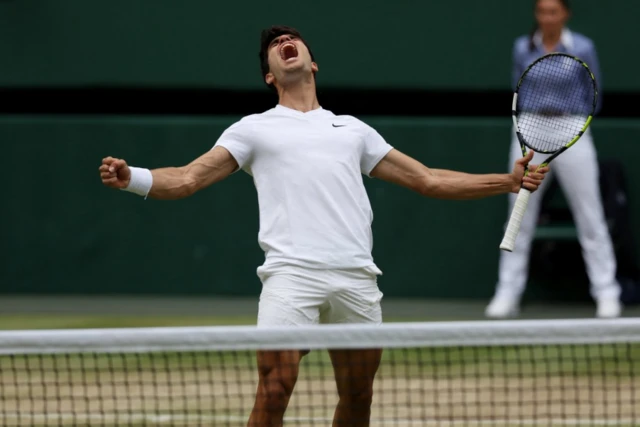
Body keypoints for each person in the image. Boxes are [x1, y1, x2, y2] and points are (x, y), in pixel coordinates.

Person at [99, 25, 549, 426]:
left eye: (290, 39)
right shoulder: (252, 129)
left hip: (356, 276)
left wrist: (507, 181)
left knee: (358, 397)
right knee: (274, 389)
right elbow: (188, 177)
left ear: (311, 62)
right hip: (292, 276)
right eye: (274, 46)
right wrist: (133, 177)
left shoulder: (352, 129)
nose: (283, 43)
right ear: (270, 76)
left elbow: (427, 179)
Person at [485, 0, 622, 320]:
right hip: (529, 127)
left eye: (553, 11)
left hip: (572, 127)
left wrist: (574, 121)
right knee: (519, 213)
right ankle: (507, 293)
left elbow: (593, 90)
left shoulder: (583, 47)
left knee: (591, 214)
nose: (547, 17)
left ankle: (607, 293)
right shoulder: (523, 46)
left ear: (565, 14)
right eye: (542, 11)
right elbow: (517, 85)